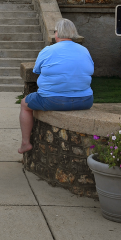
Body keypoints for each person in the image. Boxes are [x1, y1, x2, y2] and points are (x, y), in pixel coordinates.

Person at [18, 19, 94, 154]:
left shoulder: (48, 50)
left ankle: (25, 143)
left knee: (25, 104)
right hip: (85, 100)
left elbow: (36, 70)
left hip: (53, 100)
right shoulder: (84, 50)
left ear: (58, 33)